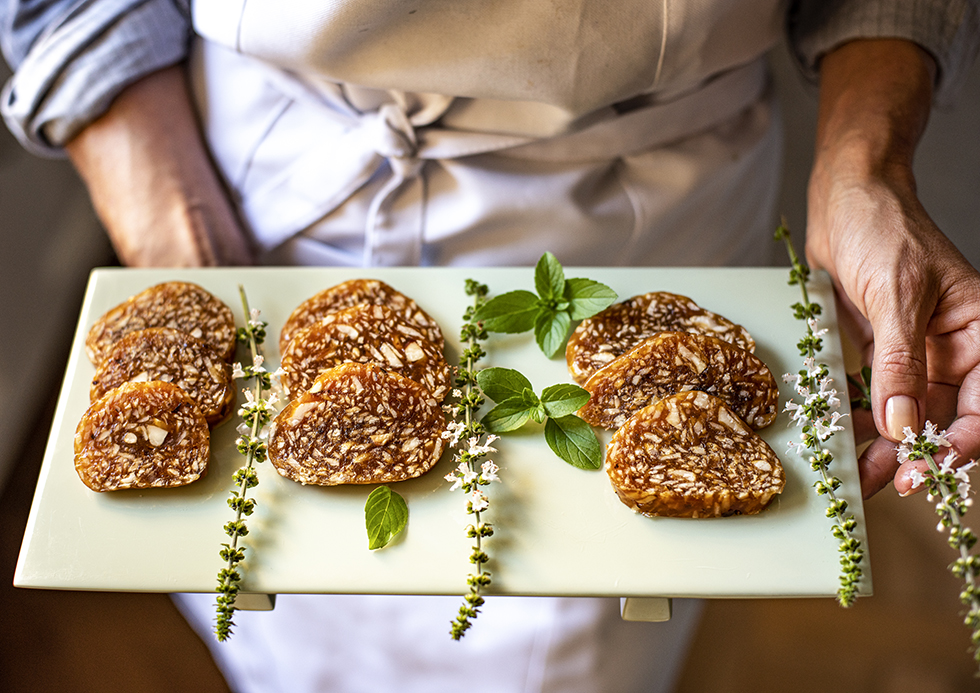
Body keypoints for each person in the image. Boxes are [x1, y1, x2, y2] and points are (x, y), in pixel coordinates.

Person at [3, 1, 979, 691]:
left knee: (590, 647)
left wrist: (867, 164)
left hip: (658, 224)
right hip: (282, 209)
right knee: (296, 626)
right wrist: (177, 240)